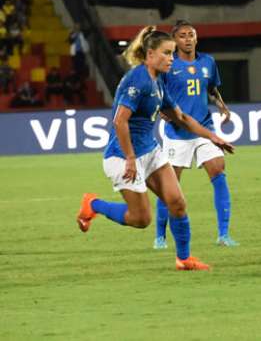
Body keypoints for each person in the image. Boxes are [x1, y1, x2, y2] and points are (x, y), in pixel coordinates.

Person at [76, 26, 234, 270]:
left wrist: (214, 137)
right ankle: (93, 204)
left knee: (177, 202)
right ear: (150, 55)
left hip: (150, 151)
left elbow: (181, 117)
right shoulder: (137, 81)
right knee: (141, 219)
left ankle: (184, 259)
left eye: (172, 53)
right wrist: (130, 158)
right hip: (122, 156)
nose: (171, 58)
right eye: (166, 53)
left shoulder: (159, 81)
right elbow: (119, 121)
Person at [153, 20, 237, 249]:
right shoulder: (169, 65)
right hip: (177, 132)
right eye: (182, 35)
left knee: (218, 171)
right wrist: (161, 110)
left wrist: (222, 106)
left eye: (191, 34)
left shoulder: (208, 62)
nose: (188, 39)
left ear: (196, 38)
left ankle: (223, 234)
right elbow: (156, 92)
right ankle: (160, 236)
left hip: (204, 129)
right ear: (175, 40)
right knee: (169, 187)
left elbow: (211, 88)